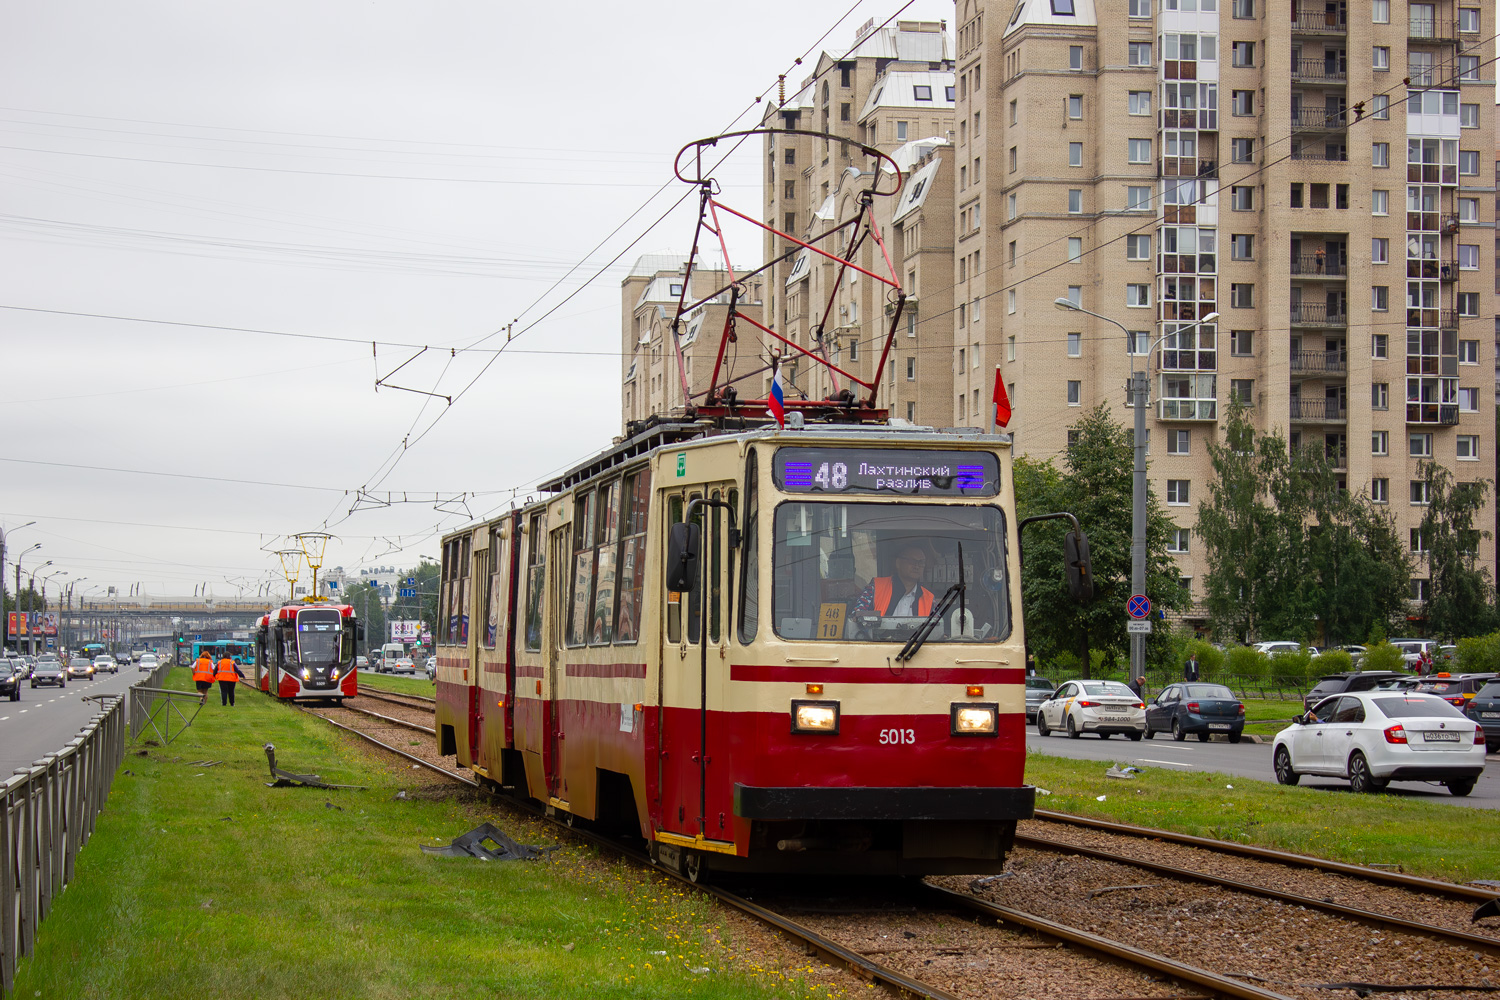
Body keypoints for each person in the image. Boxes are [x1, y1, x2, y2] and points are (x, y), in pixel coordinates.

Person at [852, 543, 935, 619]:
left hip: (920, 636)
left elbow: (937, 628)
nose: (917, 566)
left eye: (921, 562)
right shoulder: (875, 588)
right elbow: (856, 618)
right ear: (898, 563)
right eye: (912, 561)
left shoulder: (929, 599)